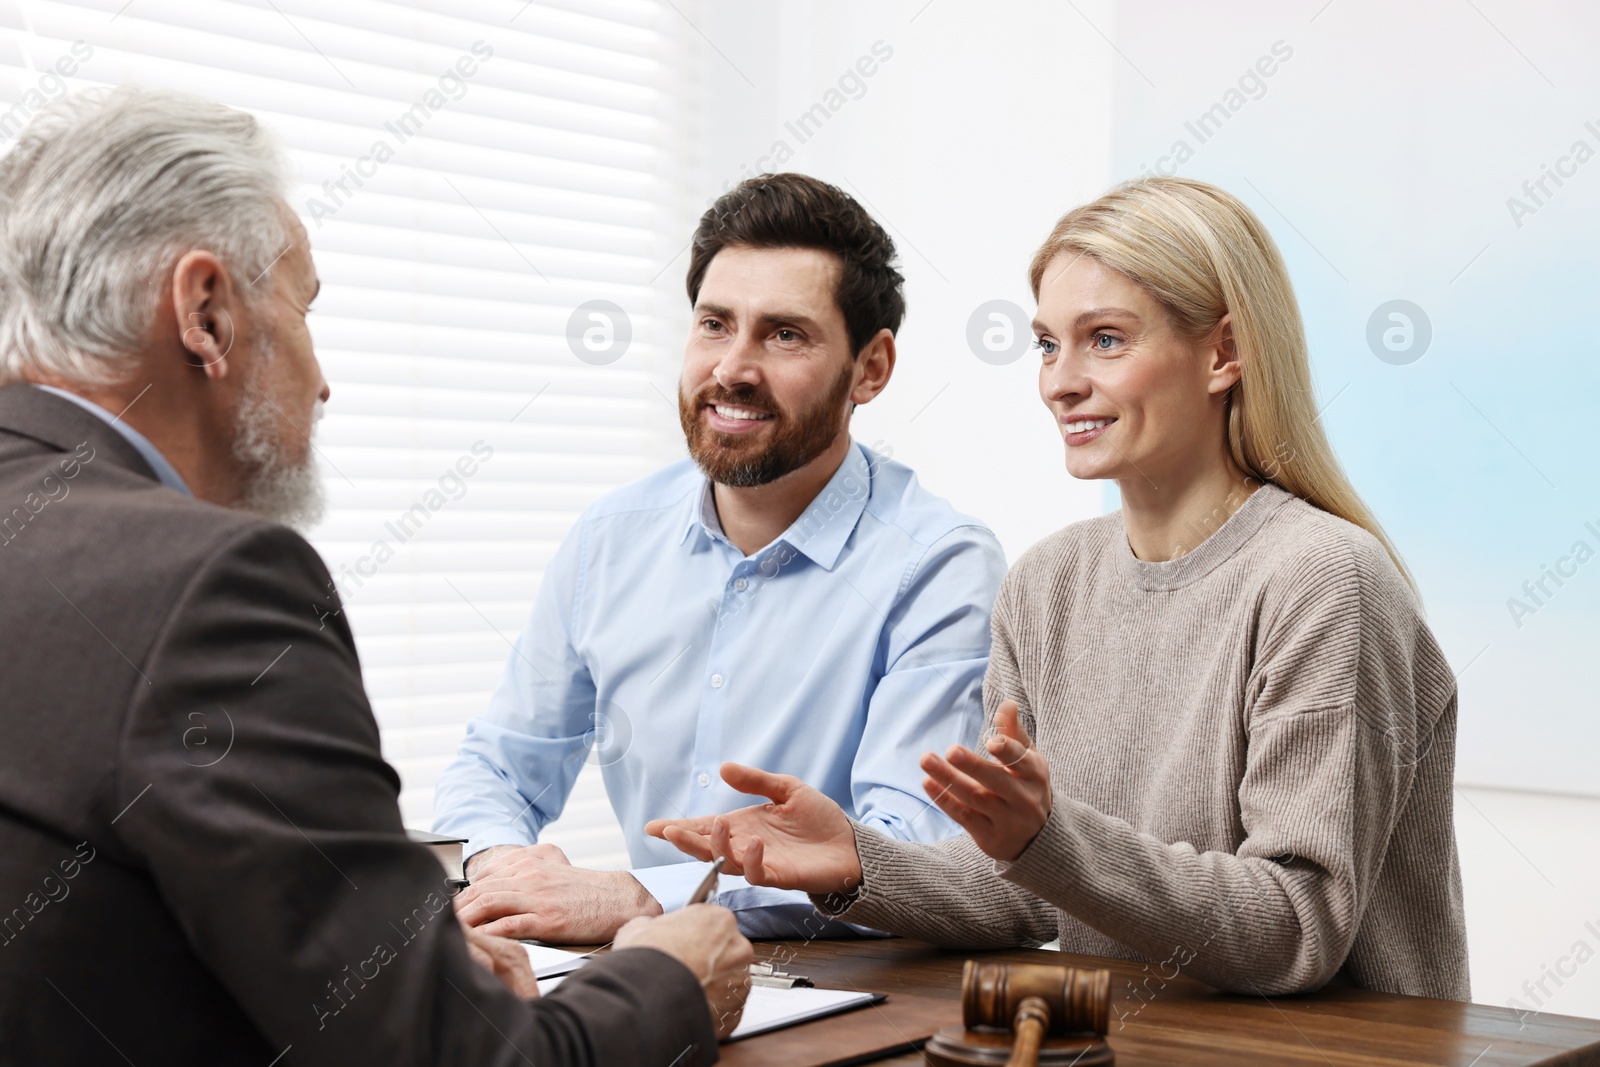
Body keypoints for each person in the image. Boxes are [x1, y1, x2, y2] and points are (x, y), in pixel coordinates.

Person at [0, 87, 750, 1066]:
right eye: (303, 308)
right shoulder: (208, 585)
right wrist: (669, 979)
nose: (321, 380)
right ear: (206, 311)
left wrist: (398, 960)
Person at [648, 176, 1471, 1002]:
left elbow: (1296, 926)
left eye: (1105, 340)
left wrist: (1049, 836)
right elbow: (1026, 887)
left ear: (1223, 354)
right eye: (1048, 344)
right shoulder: (1048, 582)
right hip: (1130, 1046)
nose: (1060, 382)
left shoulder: (1324, 580)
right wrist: (860, 860)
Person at [434, 174, 1006, 941]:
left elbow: (903, 855)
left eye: (784, 334)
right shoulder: (610, 538)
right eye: (714, 324)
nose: (733, 367)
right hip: (658, 980)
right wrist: (502, 869)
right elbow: (497, 767)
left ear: (870, 368)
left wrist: (645, 896)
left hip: (854, 998)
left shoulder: (938, 565)